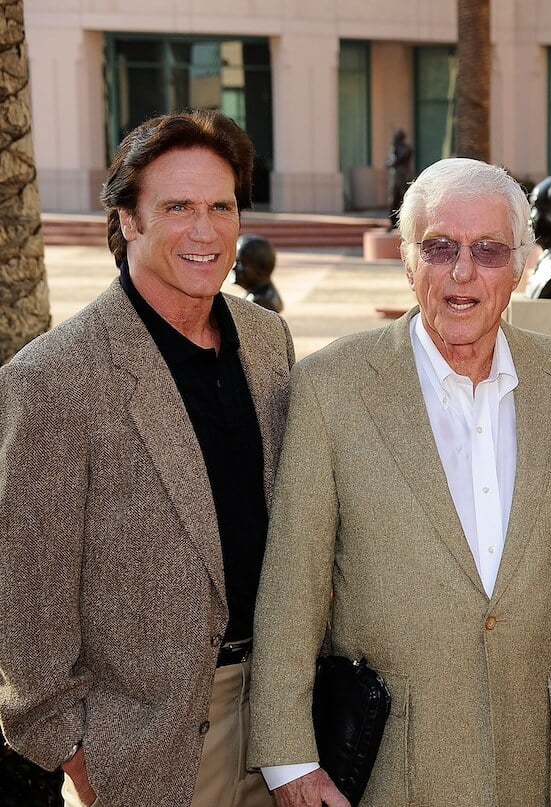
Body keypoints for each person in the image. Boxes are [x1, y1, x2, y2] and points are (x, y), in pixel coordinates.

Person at [247, 157, 551, 807]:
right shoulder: (331, 387)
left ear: (519, 264)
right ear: (406, 259)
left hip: (539, 762)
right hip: (391, 769)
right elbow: (294, 586)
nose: (462, 273)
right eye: (439, 247)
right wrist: (290, 761)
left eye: (488, 250)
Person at [0, 109, 294, 807]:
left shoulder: (267, 341)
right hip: (146, 745)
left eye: (221, 205)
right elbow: (22, 599)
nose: (205, 230)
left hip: (282, 721)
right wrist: (76, 753)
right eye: (177, 207)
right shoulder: (53, 378)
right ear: (129, 220)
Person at [385, 128, 414, 229]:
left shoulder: (407, 149)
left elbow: (398, 161)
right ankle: (392, 222)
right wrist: (393, 152)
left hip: (404, 178)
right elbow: (387, 163)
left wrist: (394, 154)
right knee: (393, 201)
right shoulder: (394, 150)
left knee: (404, 200)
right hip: (394, 179)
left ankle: (403, 223)